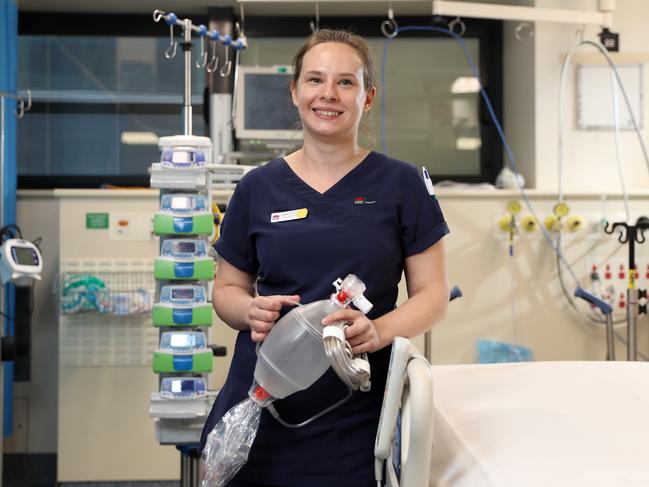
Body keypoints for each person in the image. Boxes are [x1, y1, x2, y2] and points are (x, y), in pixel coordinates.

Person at [200, 28, 450, 487]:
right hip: (263, 392)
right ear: (294, 92)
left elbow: (433, 295)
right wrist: (248, 309)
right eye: (315, 80)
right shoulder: (257, 187)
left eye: (345, 82)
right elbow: (227, 290)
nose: (328, 95)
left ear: (368, 97)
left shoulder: (402, 186)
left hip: (353, 403)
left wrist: (380, 330)